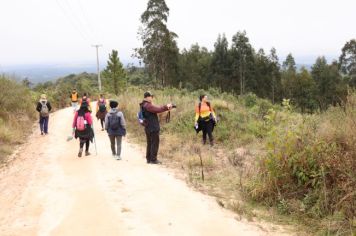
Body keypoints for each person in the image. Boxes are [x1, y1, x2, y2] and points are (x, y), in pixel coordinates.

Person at [140, 91, 172, 164]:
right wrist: (167, 107)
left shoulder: (144, 104)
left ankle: (149, 159)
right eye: (151, 96)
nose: (152, 98)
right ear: (147, 97)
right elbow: (158, 109)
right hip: (152, 127)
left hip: (148, 127)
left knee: (150, 143)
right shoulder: (147, 105)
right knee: (154, 143)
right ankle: (153, 159)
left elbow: (157, 108)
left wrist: (166, 107)